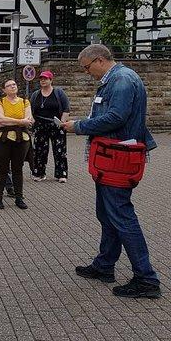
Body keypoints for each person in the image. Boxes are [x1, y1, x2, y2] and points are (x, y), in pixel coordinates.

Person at [63, 44, 161, 299]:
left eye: (86, 68)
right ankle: (104, 265)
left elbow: (116, 117)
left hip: (118, 157)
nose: (86, 73)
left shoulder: (122, 80)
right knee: (107, 213)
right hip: (112, 156)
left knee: (121, 215)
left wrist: (80, 125)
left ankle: (146, 279)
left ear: (98, 60)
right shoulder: (118, 79)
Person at [0, 79, 33, 210]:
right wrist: (20, 121)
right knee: (2, 169)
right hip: (2, 140)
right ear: (4, 90)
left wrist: (12, 121)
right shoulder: (0, 102)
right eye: (9, 85)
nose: (12, 86)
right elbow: (0, 119)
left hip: (21, 140)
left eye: (14, 84)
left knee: (17, 169)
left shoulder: (25, 102)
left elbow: (29, 120)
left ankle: (19, 198)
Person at [30, 71, 70, 183]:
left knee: (59, 150)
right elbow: (31, 109)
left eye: (45, 78)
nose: (43, 80)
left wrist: (62, 122)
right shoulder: (35, 94)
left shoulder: (59, 92)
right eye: (41, 79)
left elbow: (66, 108)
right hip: (40, 125)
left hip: (56, 124)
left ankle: (61, 174)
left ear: (51, 80)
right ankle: (39, 173)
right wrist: (32, 119)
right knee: (39, 150)